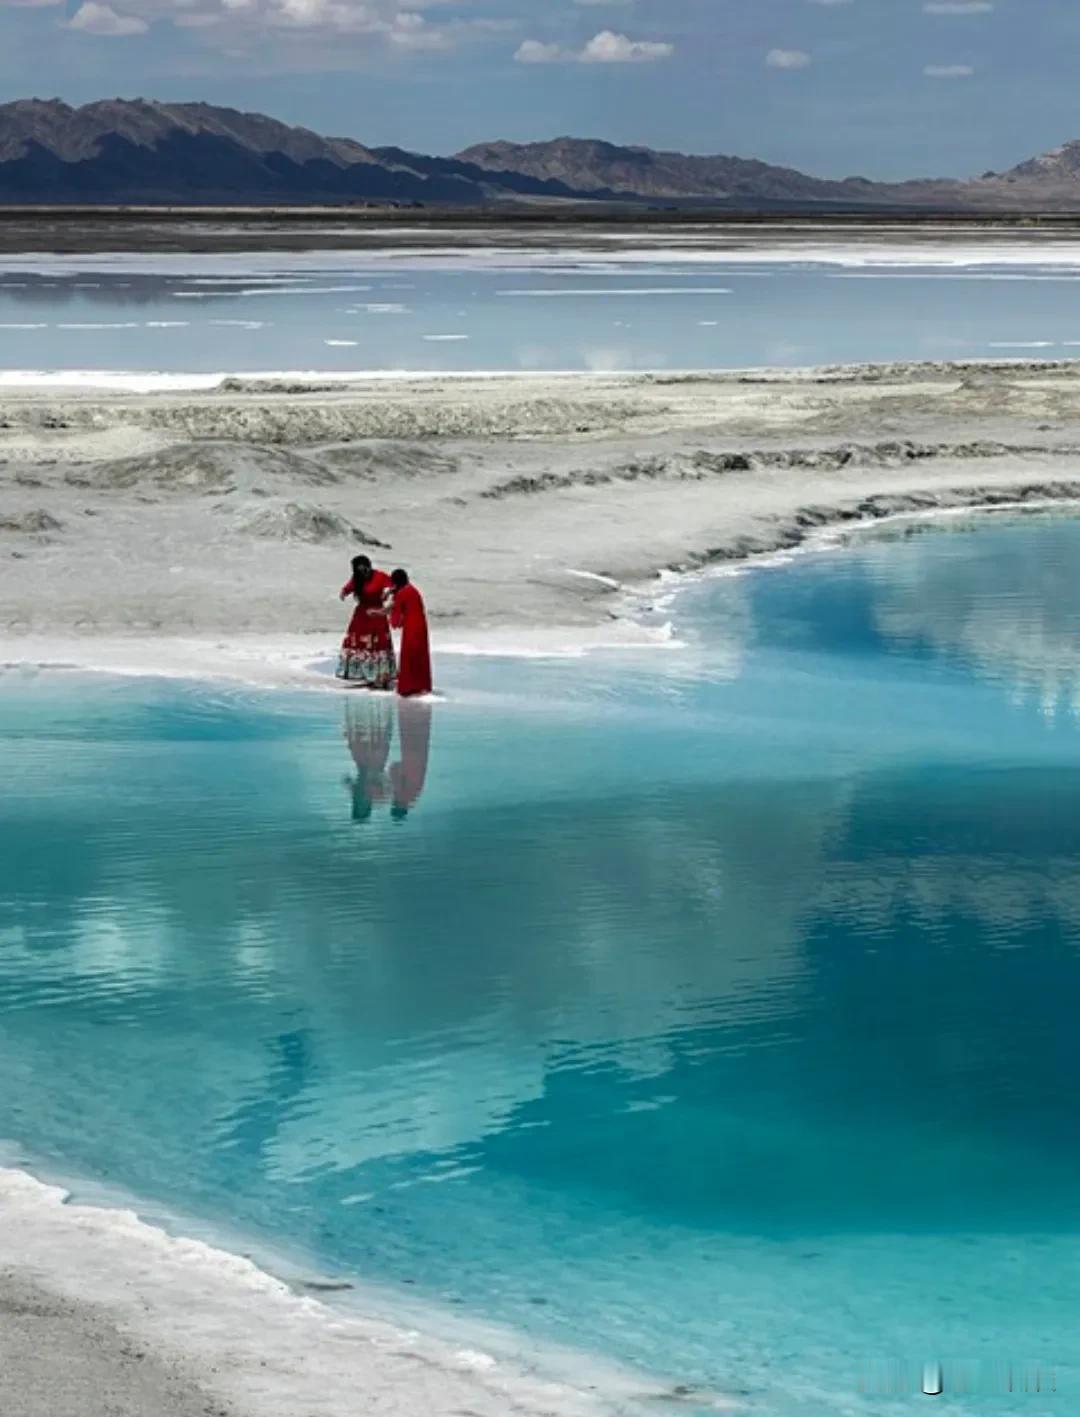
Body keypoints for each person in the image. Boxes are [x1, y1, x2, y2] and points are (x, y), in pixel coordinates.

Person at [337, 555, 396, 689]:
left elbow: (392, 585)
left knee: (378, 644)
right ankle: (364, 674)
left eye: (364, 568)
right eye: (359, 570)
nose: (363, 572)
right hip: (361, 615)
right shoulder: (357, 578)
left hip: (377, 614)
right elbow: (348, 587)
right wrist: (343, 592)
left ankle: (380, 676)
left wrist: (388, 592)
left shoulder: (380, 576)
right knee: (360, 644)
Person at [388, 568, 433, 698]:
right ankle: (422, 685)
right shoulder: (412, 590)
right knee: (420, 654)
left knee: (408, 655)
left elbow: (395, 620)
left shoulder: (402, 593)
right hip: (421, 625)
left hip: (410, 626)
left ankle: (407, 687)